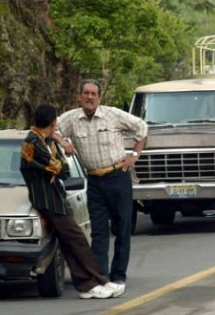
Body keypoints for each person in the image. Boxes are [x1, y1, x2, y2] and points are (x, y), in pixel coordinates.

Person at [53, 79, 148, 293]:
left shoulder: (112, 114)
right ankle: (101, 278)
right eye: (85, 93)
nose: (89, 97)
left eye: (93, 93)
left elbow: (141, 127)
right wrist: (64, 142)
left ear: (99, 97)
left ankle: (119, 277)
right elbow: (49, 128)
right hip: (94, 180)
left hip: (118, 175)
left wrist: (135, 154)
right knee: (98, 231)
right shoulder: (72, 119)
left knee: (122, 227)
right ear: (79, 96)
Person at [21, 104, 124, 299]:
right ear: (53, 123)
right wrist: (55, 165)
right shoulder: (32, 142)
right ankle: (101, 280)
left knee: (69, 244)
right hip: (47, 200)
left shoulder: (47, 141)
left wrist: (55, 165)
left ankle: (86, 285)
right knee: (78, 240)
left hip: (56, 197)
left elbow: (64, 169)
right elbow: (58, 166)